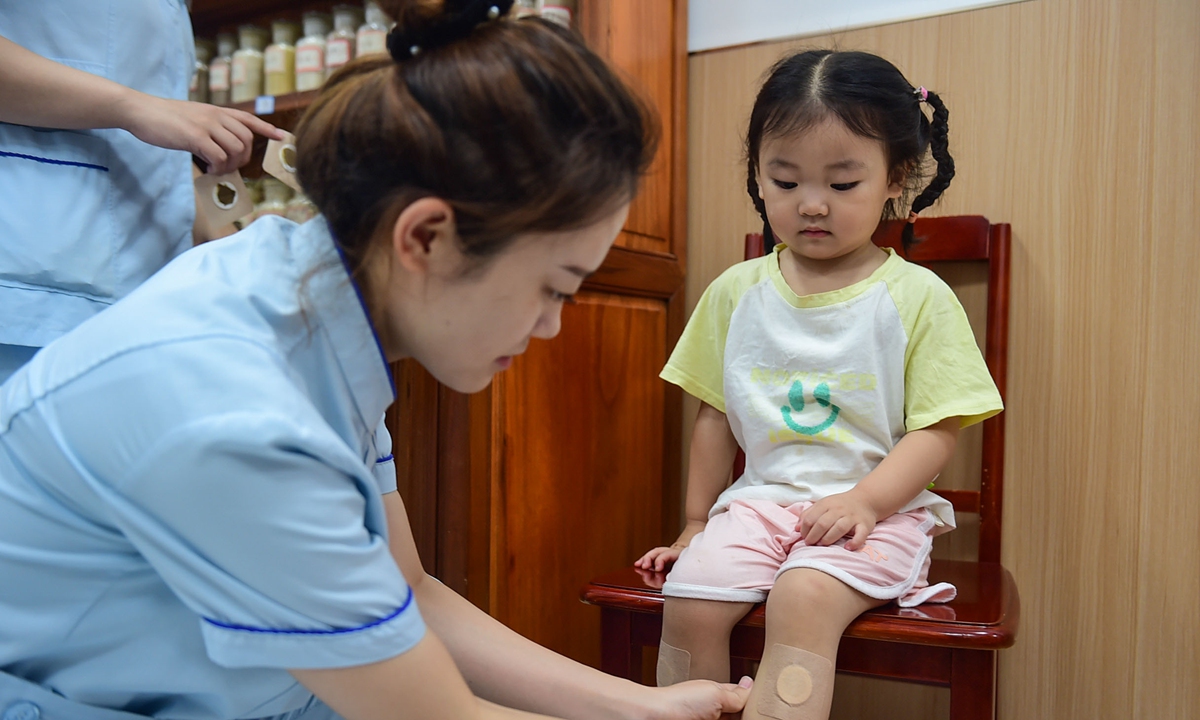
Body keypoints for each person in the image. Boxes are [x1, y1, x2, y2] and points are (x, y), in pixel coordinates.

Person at [0, 2, 753, 719]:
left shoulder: (312, 302)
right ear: (424, 237)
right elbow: (439, 712)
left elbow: (410, 590)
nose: (551, 327)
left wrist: (644, 704)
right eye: (552, 288)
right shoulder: (234, 404)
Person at [634, 49, 1004, 720]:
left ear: (894, 178)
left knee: (803, 596)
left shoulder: (918, 297)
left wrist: (865, 500)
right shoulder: (736, 293)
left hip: (877, 516)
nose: (810, 205)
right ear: (759, 177)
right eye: (784, 180)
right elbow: (714, 415)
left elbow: (938, 429)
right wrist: (694, 523)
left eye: (841, 184)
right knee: (690, 592)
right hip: (759, 506)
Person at [0, 0, 282, 383]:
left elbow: (145, 150)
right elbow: (142, 117)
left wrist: (229, 242)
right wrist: (138, 107)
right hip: (33, 292)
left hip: (145, 305)